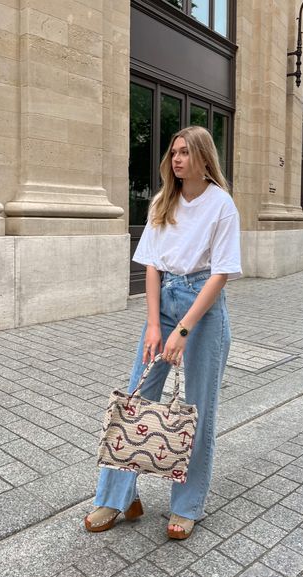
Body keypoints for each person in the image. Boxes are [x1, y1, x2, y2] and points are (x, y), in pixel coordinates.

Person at [84, 126, 242, 540]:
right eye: (174, 152)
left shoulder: (221, 205)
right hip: (165, 299)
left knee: (197, 408)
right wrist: (155, 324)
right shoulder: (163, 200)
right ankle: (116, 498)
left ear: (204, 159)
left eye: (185, 153)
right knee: (137, 395)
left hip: (203, 308)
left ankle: (187, 505)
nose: (177, 159)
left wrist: (184, 330)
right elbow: (151, 265)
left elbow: (222, 272)